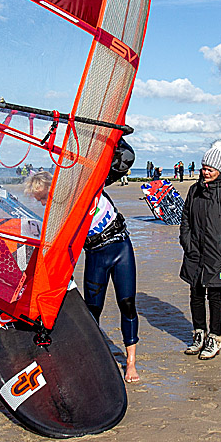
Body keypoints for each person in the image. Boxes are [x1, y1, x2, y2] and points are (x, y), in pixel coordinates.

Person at [179, 141, 221, 360]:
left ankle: (214, 338)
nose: (205, 172)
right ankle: (199, 334)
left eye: (210, 169)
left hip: (219, 256)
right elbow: (185, 218)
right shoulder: (194, 190)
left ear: (220, 170)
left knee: (215, 296)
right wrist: (186, 243)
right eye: (203, 168)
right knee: (195, 294)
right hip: (195, 253)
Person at [82, 139, 141, 383]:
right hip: (95, 254)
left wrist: (115, 136)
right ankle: (93, 358)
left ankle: (130, 363)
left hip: (120, 247)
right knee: (92, 310)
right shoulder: (64, 208)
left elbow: (127, 157)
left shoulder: (95, 183)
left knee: (126, 303)